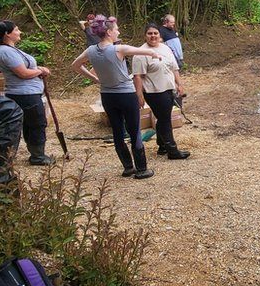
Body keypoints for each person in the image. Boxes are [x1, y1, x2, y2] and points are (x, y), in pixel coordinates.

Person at [71, 15, 162, 179]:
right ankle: (141, 169)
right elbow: (145, 51)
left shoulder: (91, 50)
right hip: (126, 95)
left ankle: (128, 167)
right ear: (108, 32)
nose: (118, 31)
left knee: (117, 131)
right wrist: (154, 54)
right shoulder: (118, 49)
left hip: (107, 95)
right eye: (116, 29)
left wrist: (95, 79)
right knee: (134, 130)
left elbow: (75, 65)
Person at [0, 21, 54, 166]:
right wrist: (41, 71)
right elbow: (23, 73)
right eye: (16, 29)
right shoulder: (6, 52)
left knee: (30, 124)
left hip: (27, 94)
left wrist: (38, 68)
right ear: (7, 34)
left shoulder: (10, 50)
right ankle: (37, 157)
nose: (20, 32)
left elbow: (26, 68)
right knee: (36, 124)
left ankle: (35, 153)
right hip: (24, 95)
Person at [133, 23, 189, 160]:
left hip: (168, 89)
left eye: (155, 33)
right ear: (145, 36)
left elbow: (174, 68)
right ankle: (172, 151)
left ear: (160, 35)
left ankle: (162, 146)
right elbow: (138, 76)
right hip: (154, 92)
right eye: (150, 33)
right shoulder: (141, 53)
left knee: (163, 118)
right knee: (165, 119)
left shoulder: (165, 48)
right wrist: (139, 95)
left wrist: (179, 84)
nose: (153, 36)